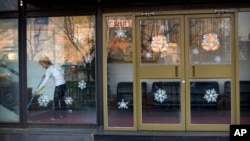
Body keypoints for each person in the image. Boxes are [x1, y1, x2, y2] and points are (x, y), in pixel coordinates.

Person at [35, 55, 66, 120]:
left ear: (46, 63)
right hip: (63, 84)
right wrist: (47, 75)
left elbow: (45, 81)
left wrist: (39, 89)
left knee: (56, 101)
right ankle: (63, 114)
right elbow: (57, 74)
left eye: (42, 64)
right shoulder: (54, 66)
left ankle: (57, 117)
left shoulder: (49, 70)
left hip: (59, 85)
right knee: (61, 100)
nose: (42, 66)